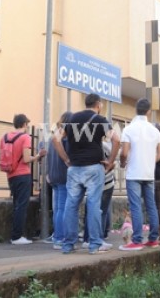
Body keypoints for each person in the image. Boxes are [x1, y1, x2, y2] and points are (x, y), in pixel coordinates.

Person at [53, 93, 120, 255]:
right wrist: (110, 162)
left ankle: (68, 244)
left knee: (71, 205)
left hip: (74, 168)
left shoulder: (72, 119)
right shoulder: (100, 120)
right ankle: (94, 244)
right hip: (94, 168)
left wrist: (66, 159)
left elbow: (55, 139)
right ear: (99, 104)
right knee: (93, 205)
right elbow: (116, 139)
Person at [119, 98, 160, 251]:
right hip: (149, 174)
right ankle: (153, 239)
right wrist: (151, 162)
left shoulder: (129, 129)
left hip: (133, 173)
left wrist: (123, 163)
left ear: (135, 110)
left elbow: (124, 152)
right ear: (149, 111)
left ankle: (136, 240)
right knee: (152, 206)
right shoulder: (155, 130)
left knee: (136, 206)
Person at [1, 114, 47, 245]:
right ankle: (17, 237)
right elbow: (27, 159)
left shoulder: (5, 137)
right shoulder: (25, 137)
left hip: (10, 174)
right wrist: (38, 155)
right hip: (22, 174)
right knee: (21, 206)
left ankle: (15, 235)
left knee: (16, 204)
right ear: (25, 124)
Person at [81, 137, 116, 248]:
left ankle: (87, 239)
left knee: (89, 210)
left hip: (90, 183)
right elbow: (112, 163)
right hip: (106, 182)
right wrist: (108, 168)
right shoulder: (104, 146)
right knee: (102, 211)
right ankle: (98, 239)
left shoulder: (83, 147)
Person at [46, 111, 72, 249]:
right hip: (63, 175)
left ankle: (57, 235)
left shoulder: (53, 136)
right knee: (62, 208)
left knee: (57, 209)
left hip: (54, 176)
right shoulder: (66, 138)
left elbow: (49, 157)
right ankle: (59, 238)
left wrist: (48, 173)